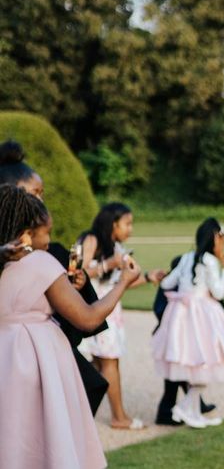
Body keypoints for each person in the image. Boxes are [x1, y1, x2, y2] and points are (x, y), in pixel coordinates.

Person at [0, 184, 140, 469]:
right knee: (45, 433)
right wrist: (123, 282)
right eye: (46, 234)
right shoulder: (40, 262)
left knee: (12, 435)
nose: (49, 243)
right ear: (26, 235)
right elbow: (87, 317)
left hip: (6, 358)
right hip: (37, 359)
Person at [0, 139, 109, 413]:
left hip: (46, 357)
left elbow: (81, 318)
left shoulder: (51, 252)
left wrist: (78, 285)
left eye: (42, 194)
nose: (41, 201)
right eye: (35, 193)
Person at [151, 217, 224, 428]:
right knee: (205, 361)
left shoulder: (186, 257)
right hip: (201, 316)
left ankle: (193, 411)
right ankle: (185, 407)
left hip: (180, 315)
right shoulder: (211, 261)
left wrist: (176, 282)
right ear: (214, 238)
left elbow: (168, 283)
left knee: (193, 362)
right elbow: (218, 291)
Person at [78, 203, 165, 430]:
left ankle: (80, 415)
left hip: (110, 312)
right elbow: (79, 272)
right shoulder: (92, 240)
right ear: (112, 223)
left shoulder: (117, 246)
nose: (131, 229)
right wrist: (110, 263)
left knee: (99, 364)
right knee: (109, 363)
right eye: (127, 223)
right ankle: (119, 417)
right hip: (93, 310)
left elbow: (124, 281)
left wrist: (148, 275)